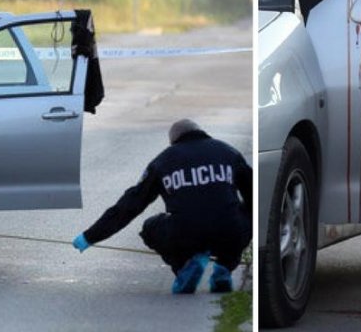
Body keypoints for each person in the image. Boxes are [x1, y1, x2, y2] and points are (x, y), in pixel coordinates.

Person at [72, 119, 252, 294]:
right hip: (228, 231)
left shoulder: (163, 161)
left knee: (149, 227)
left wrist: (90, 236)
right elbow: (253, 195)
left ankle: (184, 267)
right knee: (245, 216)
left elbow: (130, 205)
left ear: (174, 141)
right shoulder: (228, 153)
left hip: (185, 233)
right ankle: (224, 268)